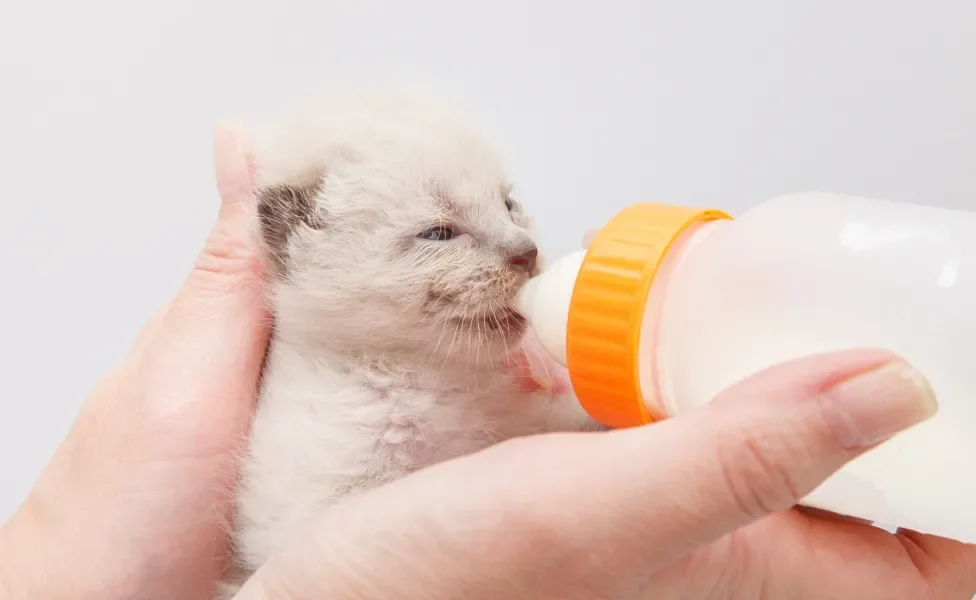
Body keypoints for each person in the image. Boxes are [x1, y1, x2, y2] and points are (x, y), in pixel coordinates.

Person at [1, 124, 973, 600]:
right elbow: (301, 538)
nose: (516, 252)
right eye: (437, 236)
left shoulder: (501, 354)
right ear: (296, 242)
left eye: (509, 206)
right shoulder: (317, 406)